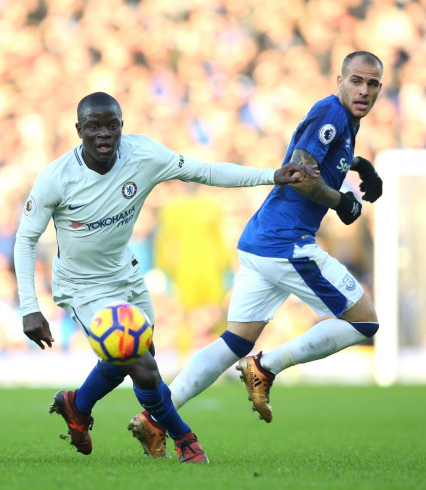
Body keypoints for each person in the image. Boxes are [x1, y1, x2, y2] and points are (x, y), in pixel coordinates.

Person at [13, 92, 316, 464]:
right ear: (79, 130)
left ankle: (78, 404)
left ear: (122, 126)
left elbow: (204, 171)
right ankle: (184, 437)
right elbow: (26, 238)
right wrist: (30, 307)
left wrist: (271, 176)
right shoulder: (56, 178)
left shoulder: (143, 156)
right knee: (140, 363)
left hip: (126, 275)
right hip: (82, 286)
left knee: (134, 357)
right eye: (93, 127)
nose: (104, 134)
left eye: (112, 125)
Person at [129, 51, 384, 456]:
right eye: (356, 81)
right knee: (365, 322)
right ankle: (267, 366)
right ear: (339, 80)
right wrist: (342, 201)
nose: (364, 90)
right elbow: (300, 174)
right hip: (287, 243)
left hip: (261, 241)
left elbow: (320, 156)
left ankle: (155, 416)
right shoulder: (332, 113)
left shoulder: (341, 121)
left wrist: (357, 164)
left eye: (372, 85)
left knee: (233, 341)